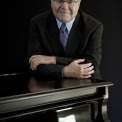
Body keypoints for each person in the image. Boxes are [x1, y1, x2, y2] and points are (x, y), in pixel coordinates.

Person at [28, 0, 104, 80]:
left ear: (78, 3)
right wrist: (64, 71)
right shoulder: (38, 23)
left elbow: (91, 67)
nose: (64, 7)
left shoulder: (93, 27)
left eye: (70, 2)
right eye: (59, 1)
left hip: (86, 86)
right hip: (49, 87)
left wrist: (53, 59)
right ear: (51, 2)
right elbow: (34, 64)